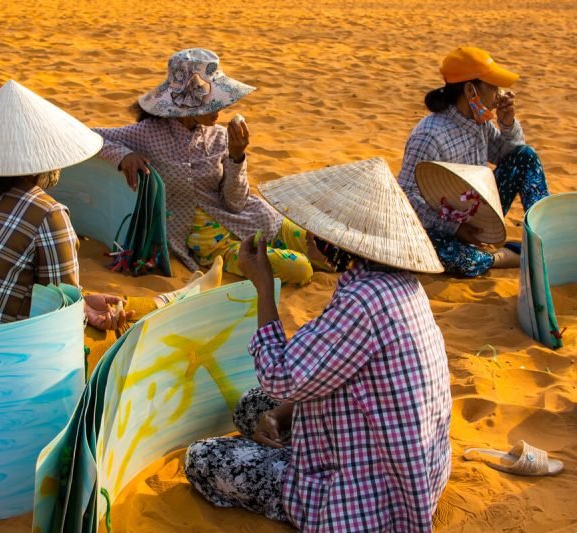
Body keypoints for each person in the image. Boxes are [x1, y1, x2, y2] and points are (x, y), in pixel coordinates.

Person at [184, 158, 452, 531]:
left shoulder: (362, 303)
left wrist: (263, 285)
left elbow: (280, 376)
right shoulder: (394, 283)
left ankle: (303, 492)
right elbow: (333, 373)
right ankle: (289, 448)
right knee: (252, 407)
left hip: (368, 497)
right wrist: (281, 413)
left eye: (316, 230)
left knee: (202, 458)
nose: (308, 234)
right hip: (411, 470)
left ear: (338, 242)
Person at [0, 80, 220, 335]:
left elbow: (23, 292)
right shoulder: (46, 213)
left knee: (97, 305)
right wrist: (80, 310)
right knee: (114, 333)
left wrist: (82, 301)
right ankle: (171, 302)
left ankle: (169, 300)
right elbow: (60, 323)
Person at [94, 48, 340, 286]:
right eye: (213, 103)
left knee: (330, 248)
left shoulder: (220, 137)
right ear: (186, 106)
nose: (221, 110)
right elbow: (88, 137)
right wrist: (123, 155)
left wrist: (237, 156)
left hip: (257, 219)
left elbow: (235, 202)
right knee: (300, 268)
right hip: (218, 246)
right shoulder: (147, 134)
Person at [398, 46, 550, 277]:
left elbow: (510, 156)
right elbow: (407, 197)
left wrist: (507, 124)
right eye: (492, 87)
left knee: (526, 156)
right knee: (448, 256)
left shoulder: (480, 123)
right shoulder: (429, 135)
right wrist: (454, 227)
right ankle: (502, 258)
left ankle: (545, 237)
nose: (499, 94)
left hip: (481, 212)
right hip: (445, 227)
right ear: (470, 90)